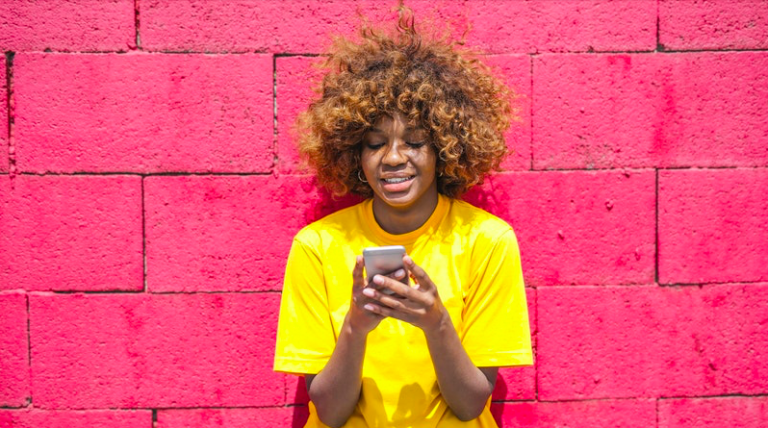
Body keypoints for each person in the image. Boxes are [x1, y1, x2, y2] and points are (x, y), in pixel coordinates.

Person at [274, 11, 532, 428]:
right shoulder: (317, 247)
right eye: (376, 143)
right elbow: (330, 412)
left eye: (414, 142)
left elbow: (470, 406)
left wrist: (437, 323)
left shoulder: (487, 240)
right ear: (355, 154)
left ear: (445, 149)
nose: (393, 158)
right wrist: (356, 327)